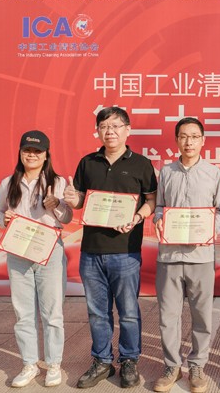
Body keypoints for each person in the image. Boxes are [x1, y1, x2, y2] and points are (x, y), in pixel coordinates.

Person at [63, 107, 157, 389]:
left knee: (128, 311)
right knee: (97, 312)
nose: (110, 131)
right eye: (104, 126)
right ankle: (102, 361)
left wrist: (137, 217)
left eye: (116, 126)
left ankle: (129, 360)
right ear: (98, 131)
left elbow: (151, 200)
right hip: (91, 251)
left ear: (128, 130)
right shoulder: (88, 162)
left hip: (126, 251)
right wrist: (71, 198)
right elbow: (80, 200)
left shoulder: (141, 164)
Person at [0, 130, 72, 388]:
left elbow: (68, 218)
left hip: (50, 251)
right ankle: (29, 364)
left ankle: (53, 364)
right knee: (23, 313)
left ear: (46, 155)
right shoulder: (8, 182)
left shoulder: (57, 182)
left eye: (38, 151)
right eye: (27, 150)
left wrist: (56, 205)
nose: (32, 155)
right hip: (18, 252)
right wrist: (3, 220)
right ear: (20, 153)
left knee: (52, 313)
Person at [152, 117, 220, 393]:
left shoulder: (214, 173)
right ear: (176, 140)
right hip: (169, 256)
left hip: (201, 255)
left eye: (194, 136)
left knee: (201, 315)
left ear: (203, 140)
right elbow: (160, 206)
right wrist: (159, 219)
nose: (189, 142)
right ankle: (172, 366)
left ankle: (197, 365)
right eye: (183, 136)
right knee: (168, 315)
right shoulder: (166, 172)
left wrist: (210, 229)